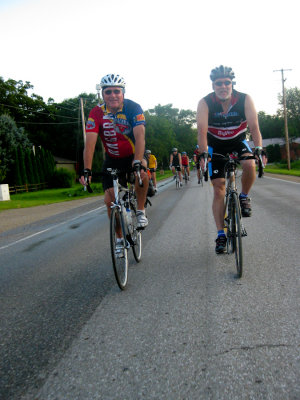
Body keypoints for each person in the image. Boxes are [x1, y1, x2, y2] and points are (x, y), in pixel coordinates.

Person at [196, 65, 266, 254]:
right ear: (213, 86)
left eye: (227, 83)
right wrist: (203, 153)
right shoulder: (205, 103)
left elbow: (254, 126)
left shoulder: (244, 99)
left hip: (238, 141)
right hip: (215, 145)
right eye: (219, 83)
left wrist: (259, 148)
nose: (223, 86)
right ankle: (220, 234)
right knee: (219, 187)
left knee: (249, 163)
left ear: (232, 84)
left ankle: (243, 196)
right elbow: (202, 131)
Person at [80, 73, 149, 234]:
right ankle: (118, 240)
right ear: (103, 94)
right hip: (112, 159)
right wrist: (87, 170)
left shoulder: (133, 108)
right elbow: (89, 144)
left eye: (116, 91)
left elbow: (140, 137)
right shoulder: (96, 112)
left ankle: (140, 211)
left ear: (123, 93)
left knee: (142, 172)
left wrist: (138, 161)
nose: (113, 95)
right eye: (108, 92)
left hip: (133, 155)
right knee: (110, 201)